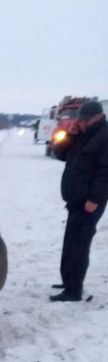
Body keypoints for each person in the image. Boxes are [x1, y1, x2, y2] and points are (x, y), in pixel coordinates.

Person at [50, 99, 108, 302]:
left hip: (90, 203)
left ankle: (74, 290)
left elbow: (105, 172)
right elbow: (59, 154)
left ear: (97, 117)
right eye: (79, 120)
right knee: (70, 243)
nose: (81, 123)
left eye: (84, 120)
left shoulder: (104, 136)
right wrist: (70, 135)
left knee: (79, 245)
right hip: (76, 200)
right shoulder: (82, 135)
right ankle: (68, 281)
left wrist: (95, 198)